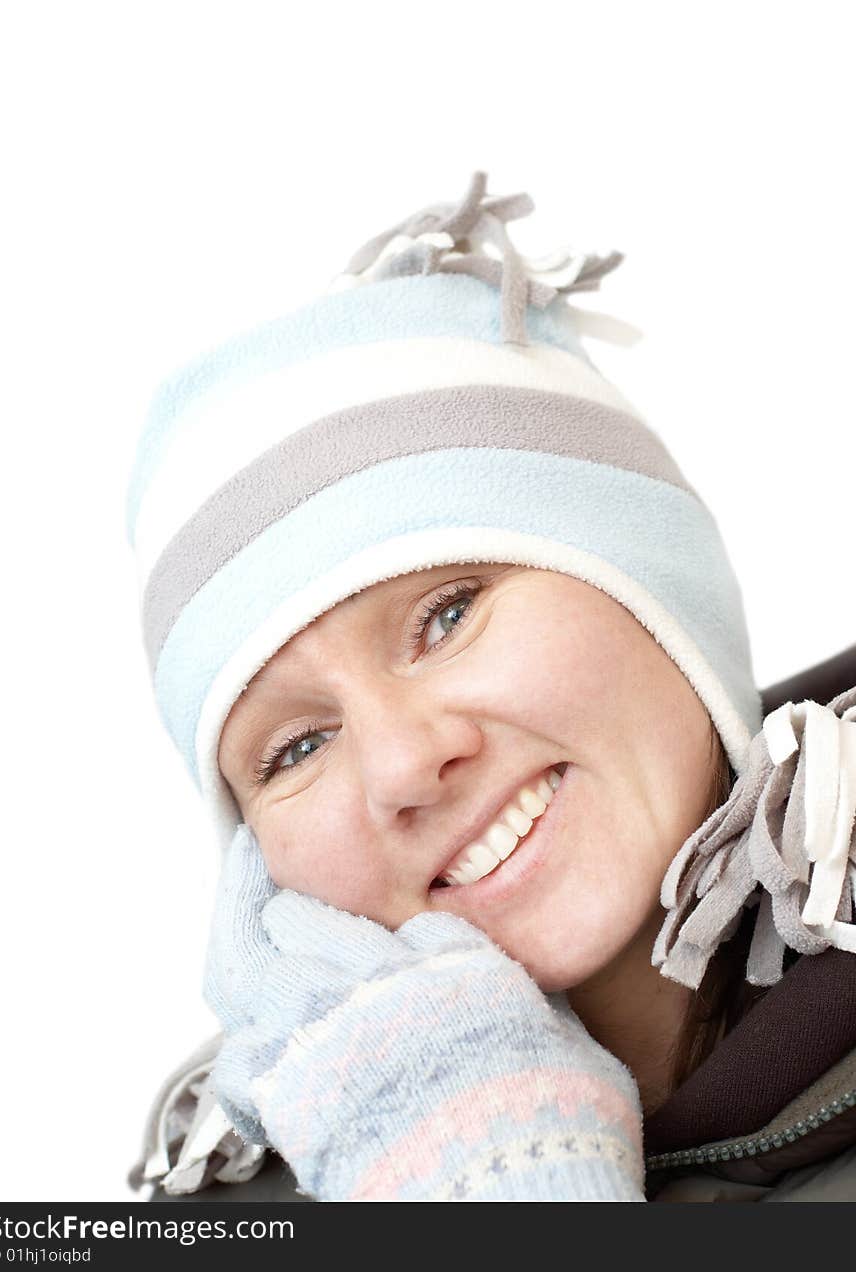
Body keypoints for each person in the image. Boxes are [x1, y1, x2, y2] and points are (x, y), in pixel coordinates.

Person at [126, 171, 856, 1202]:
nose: (402, 763)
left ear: (655, 590)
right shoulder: (235, 1193)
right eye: (294, 748)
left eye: (446, 613)